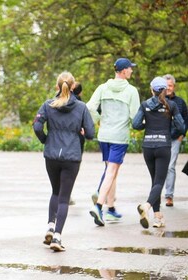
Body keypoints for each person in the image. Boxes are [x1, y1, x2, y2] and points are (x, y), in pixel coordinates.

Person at [33, 72, 94, 251]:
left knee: (55, 192)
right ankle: (57, 238)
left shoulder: (48, 105)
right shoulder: (82, 107)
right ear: (73, 86)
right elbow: (90, 134)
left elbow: (37, 126)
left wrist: (46, 139)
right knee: (64, 198)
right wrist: (81, 133)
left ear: (57, 86)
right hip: (71, 156)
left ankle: (50, 226)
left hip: (51, 155)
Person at [86, 57, 140, 226]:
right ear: (124, 71)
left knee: (111, 171)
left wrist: (99, 120)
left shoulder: (103, 88)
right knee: (111, 172)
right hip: (119, 137)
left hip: (104, 135)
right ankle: (99, 207)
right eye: (130, 68)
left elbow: (89, 107)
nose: (132, 70)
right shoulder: (131, 91)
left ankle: (111, 209)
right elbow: (135, 116)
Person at [133, 77, 185, 228]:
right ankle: (147, 206)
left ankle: (158, 217)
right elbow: (181, 127)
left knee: (155, 181)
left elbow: (136, 124)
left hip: (148, 147)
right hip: (163, 146)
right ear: (165, 90)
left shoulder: (145, 105)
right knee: (159, 182)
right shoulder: (172, 105)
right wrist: (170, 127)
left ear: (152, 90)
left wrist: (147, 124)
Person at [163, 74, 188, 207]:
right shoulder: (158, 100)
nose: (168, 89)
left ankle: (169, 196)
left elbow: (186, 119)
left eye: (170, 86)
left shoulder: (180, 102)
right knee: (160, 167)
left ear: (174, 86)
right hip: (161, 139)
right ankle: (155, 195)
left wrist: (182, 135)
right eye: (166, 86)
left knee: (170, 167)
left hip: (175, 139)